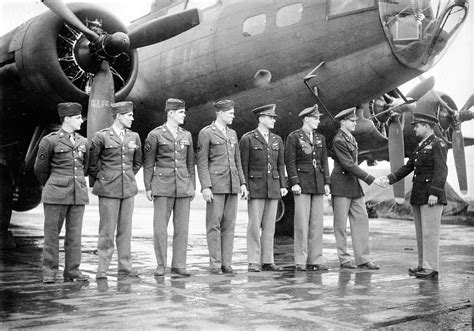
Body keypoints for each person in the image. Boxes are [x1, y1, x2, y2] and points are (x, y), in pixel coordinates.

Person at [381, 113, 447, 279]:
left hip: (431, 195)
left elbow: (441, 170)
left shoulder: (438, 144)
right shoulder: (421, 146)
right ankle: (422, 265)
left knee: (429, 233)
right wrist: (388, 179)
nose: (415, 128)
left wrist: (435, 192)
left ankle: (431, 268)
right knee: (420, 233)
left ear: (427, 125)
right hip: (418, 195)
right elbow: (408, 167)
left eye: (417, 125)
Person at [34, 102, 90, 283]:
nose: (81, 121)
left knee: (75, 236)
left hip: (77, 194)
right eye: (77, 118)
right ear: (66, 119)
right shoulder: (50, 141)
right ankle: (49, 272)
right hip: (56, 194)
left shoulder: (83, 142)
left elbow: (85, 166)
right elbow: (40, 169)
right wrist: (53, 184)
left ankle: (73, 271)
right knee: (52, 235)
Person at [88, 101, 143, 280]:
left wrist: (126, 175)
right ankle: (102, 269)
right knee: (106, 231)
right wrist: (106, 178)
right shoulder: (101, 137)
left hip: (127, 188)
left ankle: (125, 268)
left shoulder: (134, 137)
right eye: (129, 115)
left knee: (125, 231)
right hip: (108, 189)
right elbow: (93, 164)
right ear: (119, 116)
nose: (133, 118)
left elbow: (137, 162)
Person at [143, 98, 195, 277]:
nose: (184, 115)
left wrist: (192, 187)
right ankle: (161, 264)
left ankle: (179, 265)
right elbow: (149, 163)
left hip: (183, 186)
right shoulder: (155, 135)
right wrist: (148, 186)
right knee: (160, 228)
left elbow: (190, 163)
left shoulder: (186, 135)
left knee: (182, 228)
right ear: (170, 113)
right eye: (181, 112)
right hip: (162, 185)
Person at [197, 99, 248, 274]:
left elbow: (237, 161)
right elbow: (202, 162)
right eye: (230, 113)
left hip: (232, 185)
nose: (233, 115)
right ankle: (215, 264)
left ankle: (227, 264)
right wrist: (205, 186)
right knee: (214, 225)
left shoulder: (233, 134)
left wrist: (242, 183)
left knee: (229, 225)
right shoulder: (206, 133)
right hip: (216, 185)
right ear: (220, 113)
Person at [331, 108, 381, 270]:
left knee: (361, 220)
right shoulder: (339, 140)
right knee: (340, 225)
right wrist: (371, 179)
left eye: (355, 120)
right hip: (341, 185)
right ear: (343, 122)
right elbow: (348, 164)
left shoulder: (351, 138)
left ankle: (363, 259)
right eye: (351, 121)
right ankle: (344, 259)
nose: (355, 123)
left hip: (353, 184)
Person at [240, 104, 287, 272]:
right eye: (270, 117)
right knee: (254, 225)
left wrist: (283, 184)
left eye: (274, 117)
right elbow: (243, 165)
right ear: (261, 119)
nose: (274, 120)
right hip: (256, 186)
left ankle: (268, 261)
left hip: (273, 186)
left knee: (270, 226)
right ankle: (253, 261)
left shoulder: (277, 140)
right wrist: (244, 185)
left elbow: (281, 164)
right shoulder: (248, 139)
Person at [285, 104, 331, 271]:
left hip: (318, 183)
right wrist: (294, 182)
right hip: (302, 184)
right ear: (306, 119)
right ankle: (300, 261)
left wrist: (327, 182)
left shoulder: (320, 138)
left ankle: (315, 260)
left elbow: (324, 161)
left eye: (318, 118)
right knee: (301, 224)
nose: (318, 121)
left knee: (317, 224)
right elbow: (289, 162)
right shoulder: (294, 137)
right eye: (315, 118)